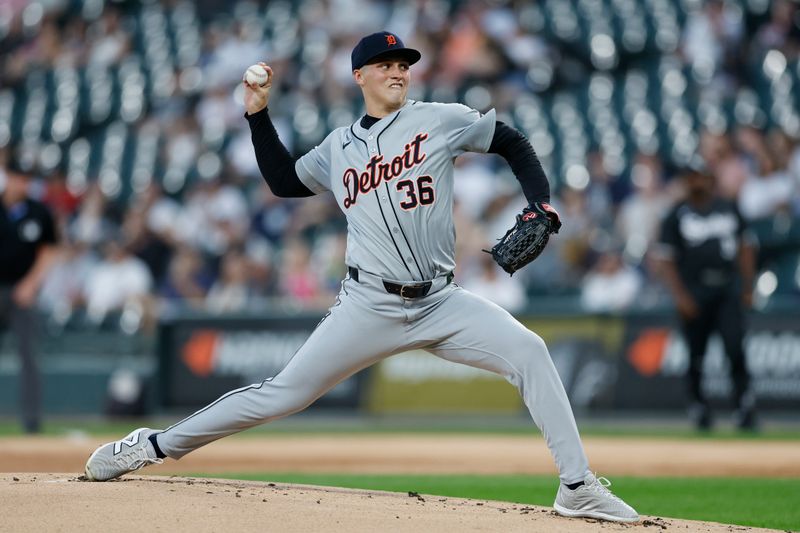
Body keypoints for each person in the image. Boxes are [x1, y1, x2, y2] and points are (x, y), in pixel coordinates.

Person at [85, 31, 638, 523]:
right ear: (359, 76)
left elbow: (511, 141)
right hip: (367, 304)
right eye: (385, 64)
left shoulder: (437, 119)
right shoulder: (337, 148)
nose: (398, 72)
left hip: (442, 302)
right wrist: (257, 115)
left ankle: (577, 487)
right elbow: (283, 181)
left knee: (530, 351)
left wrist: (540, 202)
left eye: (403, 64)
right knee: (282, 395)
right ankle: (153, 444)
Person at [655, 160, 757, 431]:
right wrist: (680, 296)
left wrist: (748, 286)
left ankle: (743, 406)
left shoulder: (728, 207)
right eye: (692, 177)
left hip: (727, 289)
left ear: (710, 179)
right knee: (696, 355)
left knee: (735, 347)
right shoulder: (676, 214)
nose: (697, 181)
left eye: (701, 176)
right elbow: (666, 259)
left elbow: (746, 247)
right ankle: (698, 407)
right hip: (694, 291)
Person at [0, 154, 58, 433]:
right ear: (7, 176)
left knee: (29, 359)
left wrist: (31, 284)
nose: (22, 184)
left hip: (23, 292)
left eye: (27, 179)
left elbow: (48, 251)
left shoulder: (38, 211)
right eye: (18, 178)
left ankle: (31, 424)